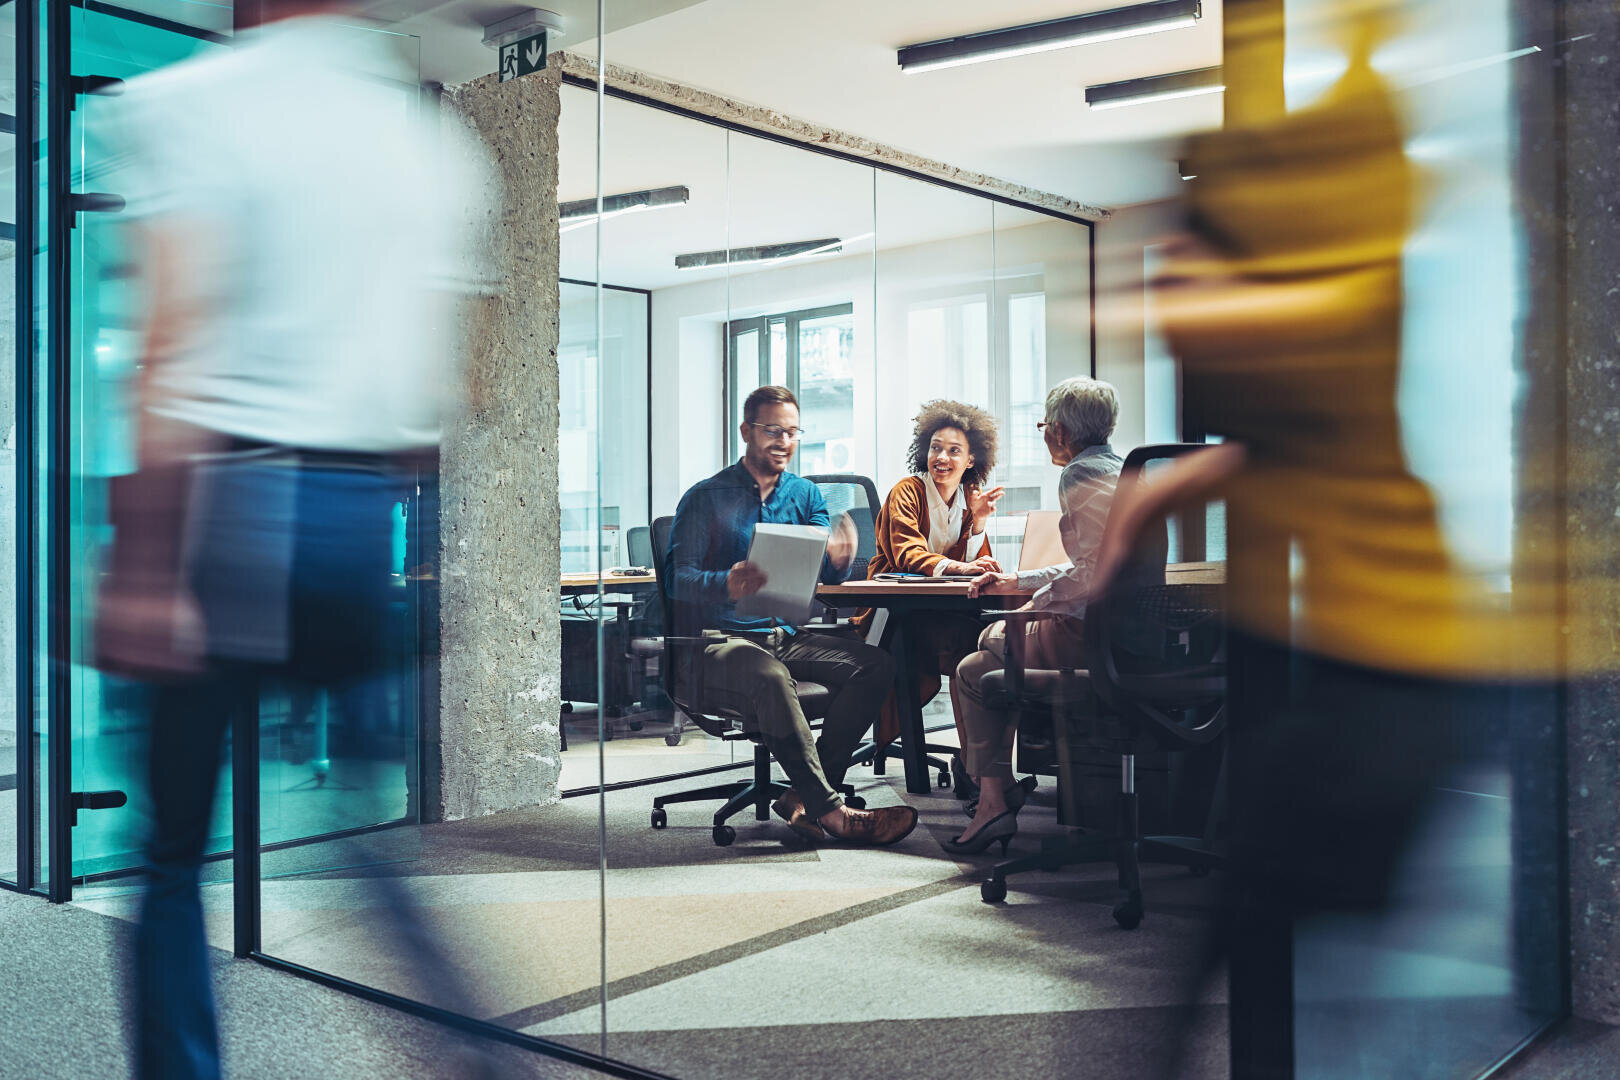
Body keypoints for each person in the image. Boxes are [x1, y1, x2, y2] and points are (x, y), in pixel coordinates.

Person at [92, 5, 492, 1078]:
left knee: (172, 856)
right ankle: (485, 1061)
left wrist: (139, 567)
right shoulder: (428, 145)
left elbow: (169, 340)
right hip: (360, 518)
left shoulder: (200, 102)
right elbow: (443, 390)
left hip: (233, 505)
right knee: (366, 841)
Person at [666, 385, 915, 845]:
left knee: (876, 666)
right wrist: (725, 581)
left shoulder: (806, 496)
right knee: (771, 676)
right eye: (772, 430)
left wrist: (838, 558)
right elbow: (676, 581)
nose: (783, 441)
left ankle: (802, 796)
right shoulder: (705, 497)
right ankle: (833, 812)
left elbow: (822, 576)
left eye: (792, 432)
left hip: (782, 632)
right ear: (746, 431)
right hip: (717, 641)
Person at [943, 377, 1123, 855]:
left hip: (1089, 638)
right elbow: (1096, 563)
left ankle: (993, 801)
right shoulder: (1126, 471)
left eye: (1045, 426)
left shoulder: (1079, 475)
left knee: (981, 653)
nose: (1044, 435)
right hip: (1128, 639)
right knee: (982, 667)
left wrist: (1031, 604)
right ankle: (995, 797)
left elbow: (1090, 574)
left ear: (1061, 431)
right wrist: (1019, 581)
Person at [856, 400, 1003, 780]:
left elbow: (977, 564)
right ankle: (976, 768)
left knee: (980, 641)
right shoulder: (907, 491)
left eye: (954, 451)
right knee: (964, 644)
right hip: (893, 614)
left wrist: (980, 523)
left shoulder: (970, 499)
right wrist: (960, 566)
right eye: (936, 447)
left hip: (937, 611)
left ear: (971, 460)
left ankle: (977, 763)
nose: (942, 457)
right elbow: (907, 553)